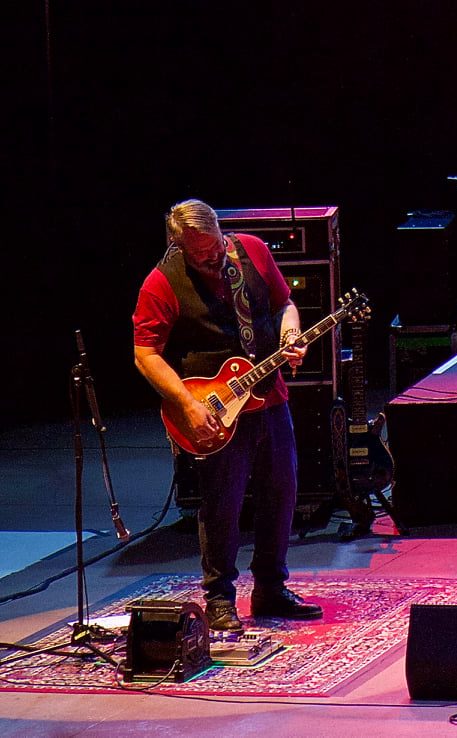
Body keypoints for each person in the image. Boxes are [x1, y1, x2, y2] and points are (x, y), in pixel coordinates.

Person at [133, 199, 325, 631]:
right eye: (201, 254)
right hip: (212, 408)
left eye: (216, 246)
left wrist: (291, 332)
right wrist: (186, 404)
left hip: (269, 397)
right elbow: (145, 353)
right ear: (178, 245)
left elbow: (285, 305)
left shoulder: (252, 250)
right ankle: (220, 598)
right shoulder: (161, 283)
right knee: (222, 504)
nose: (212, 257)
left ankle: (271, 589)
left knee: (282, 492)